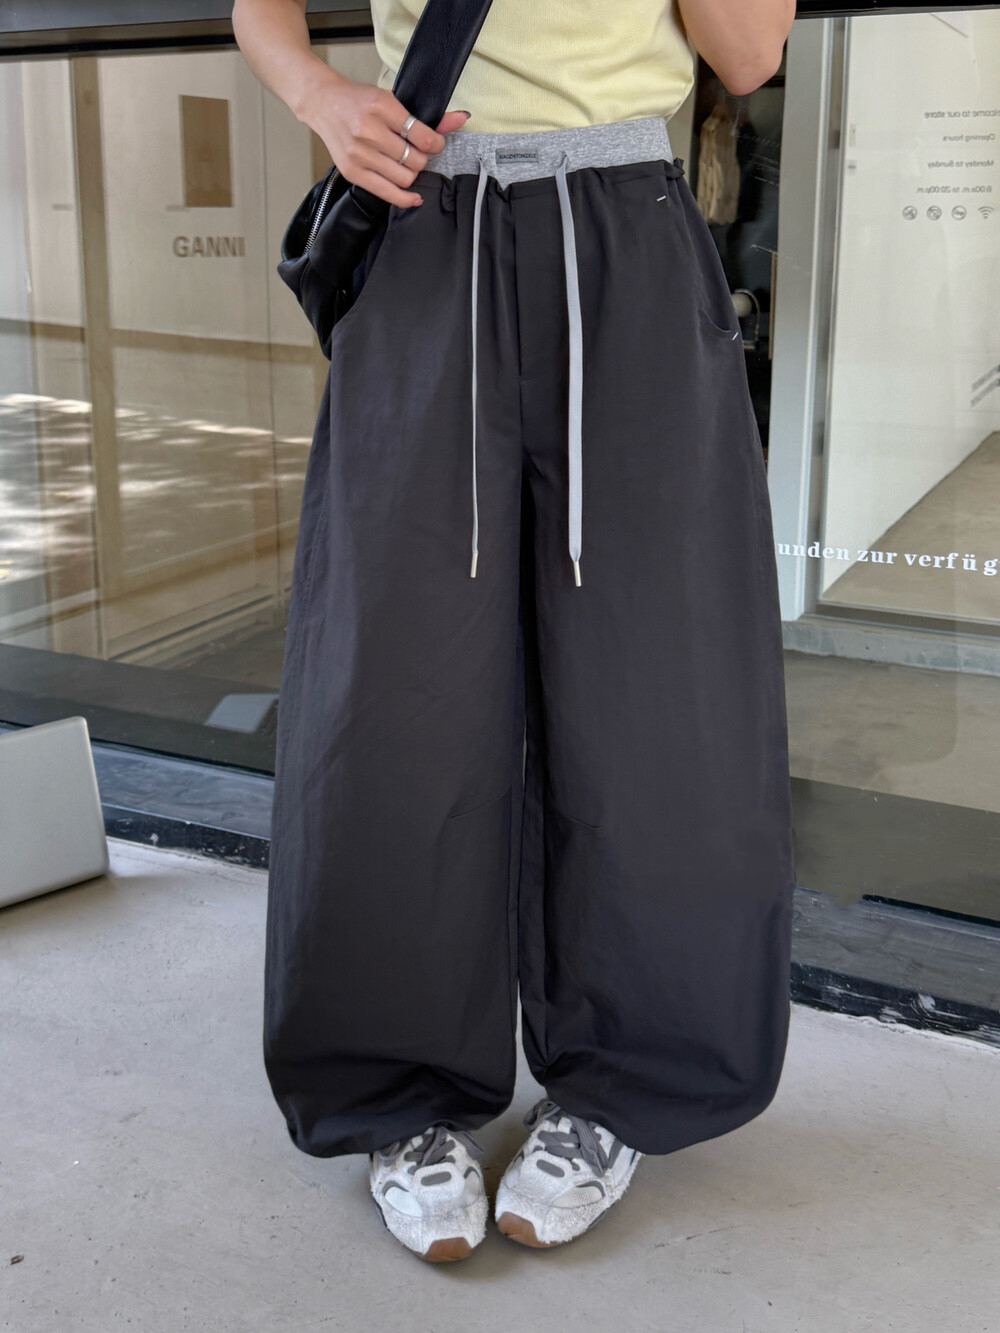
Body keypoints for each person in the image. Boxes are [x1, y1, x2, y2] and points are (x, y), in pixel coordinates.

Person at [232, 0, 797, 1263]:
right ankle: (393, 1093)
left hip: (628, 228)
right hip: (427, 218)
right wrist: (323, 98)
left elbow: (750, 52)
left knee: (657, 691)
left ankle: (626, 1084)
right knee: (394, 685)